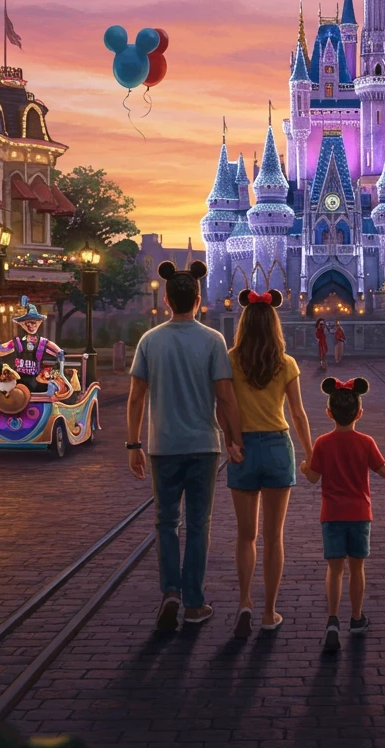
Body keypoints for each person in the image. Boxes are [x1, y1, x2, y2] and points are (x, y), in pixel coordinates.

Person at [128, 260, 243, 632]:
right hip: (203, 446)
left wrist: (133, 444)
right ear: (197, 299)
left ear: (166, 298)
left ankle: (171, 592)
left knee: (165, 522)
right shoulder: (213, 340)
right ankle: (194, 602)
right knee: (198, 524)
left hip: (163, 446)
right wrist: (234, 439)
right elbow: (224, 396)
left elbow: (135, 398)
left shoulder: (150, 340)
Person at [300, 377, 385, 654]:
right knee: (357, 569)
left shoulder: (322, 442)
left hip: (331, 515)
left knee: (334, 570)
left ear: (329, 412)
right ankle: (356, 618)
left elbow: (311, 478)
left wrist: (302, 467)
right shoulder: (366, 442)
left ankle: (333, 619)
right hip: (359, 514)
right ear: (359, 413)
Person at [227, 288, 315, 638]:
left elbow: (224, 405)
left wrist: (229, 441)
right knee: (273, 537)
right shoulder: (286, 362)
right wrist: (311, 454)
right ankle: (268, 611)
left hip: (243, 449)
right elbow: (297, 413)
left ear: (244, 323)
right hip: (278, 447)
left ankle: (245, 601)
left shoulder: (231, 360)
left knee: (246, 536)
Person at [0, 296, 62, 393]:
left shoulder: (43, 342)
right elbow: (0, 351)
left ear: (39, 322)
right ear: (22, 324)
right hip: (17, 382)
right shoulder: (17, 341)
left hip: (36, 381)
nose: (30, 326)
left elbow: (58, 351)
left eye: (33, 323)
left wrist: (60, 354)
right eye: (26, 324)